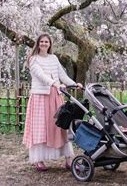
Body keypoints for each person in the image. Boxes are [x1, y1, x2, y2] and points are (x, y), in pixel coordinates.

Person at [22, 33, 82, 172]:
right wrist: (54, 84)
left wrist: (74, 84)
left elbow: (62, 75)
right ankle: (39, 160)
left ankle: (68, 159)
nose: (44, 44)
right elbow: (41, 76)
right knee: (41, 128)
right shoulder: (33, 59)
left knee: (61, 126)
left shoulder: (54, 58)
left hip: (55, 96)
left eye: (46, 42)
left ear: (50, 44)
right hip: (40, 97)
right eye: (41, 41)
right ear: (38, 43)